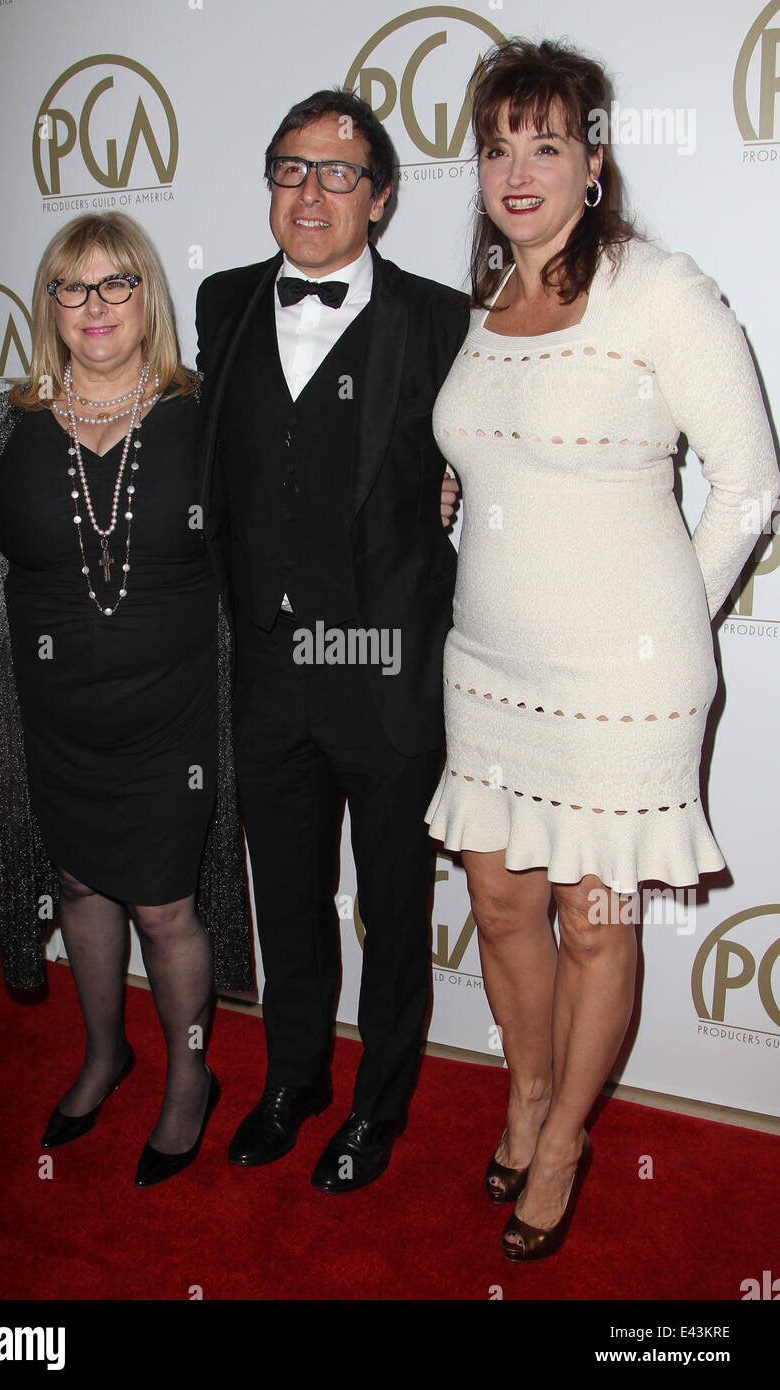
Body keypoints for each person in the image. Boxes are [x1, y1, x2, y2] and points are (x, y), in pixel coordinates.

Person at [425, 37, 779, 1259]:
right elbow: (498, 454)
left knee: (594, 917)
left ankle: (566, 1134)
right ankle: (523, 1090)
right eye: (494, 146)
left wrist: (658, 620)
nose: (516, 169)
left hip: (624, 691)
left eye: (545, 143)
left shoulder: (656, 288)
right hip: (486, 669)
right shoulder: (484, 307)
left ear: (593, 161)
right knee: (499, 898)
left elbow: (745, 483)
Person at [195, 90, 470, 1193]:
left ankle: (377, 1105)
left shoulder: (441, 319)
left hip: (386, 680)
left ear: (382, 198)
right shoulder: (217, 304)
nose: (309, 192)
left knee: (395, 908)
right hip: (267, 672)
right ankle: (292, 1080)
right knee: (287, 898)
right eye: (288, 169)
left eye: (337, 172)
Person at [0, 212, 251, 1189]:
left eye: (115, 283)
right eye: (70, 286)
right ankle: (102, 1052)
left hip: (173, 724)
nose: (93, 305)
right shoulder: (4, 425)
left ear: (146, 297)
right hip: (54, 718)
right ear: (48, 305)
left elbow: (275, 540)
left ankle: (189, 1078)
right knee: (78, 885)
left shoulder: (204, 415)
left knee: (166, 910)